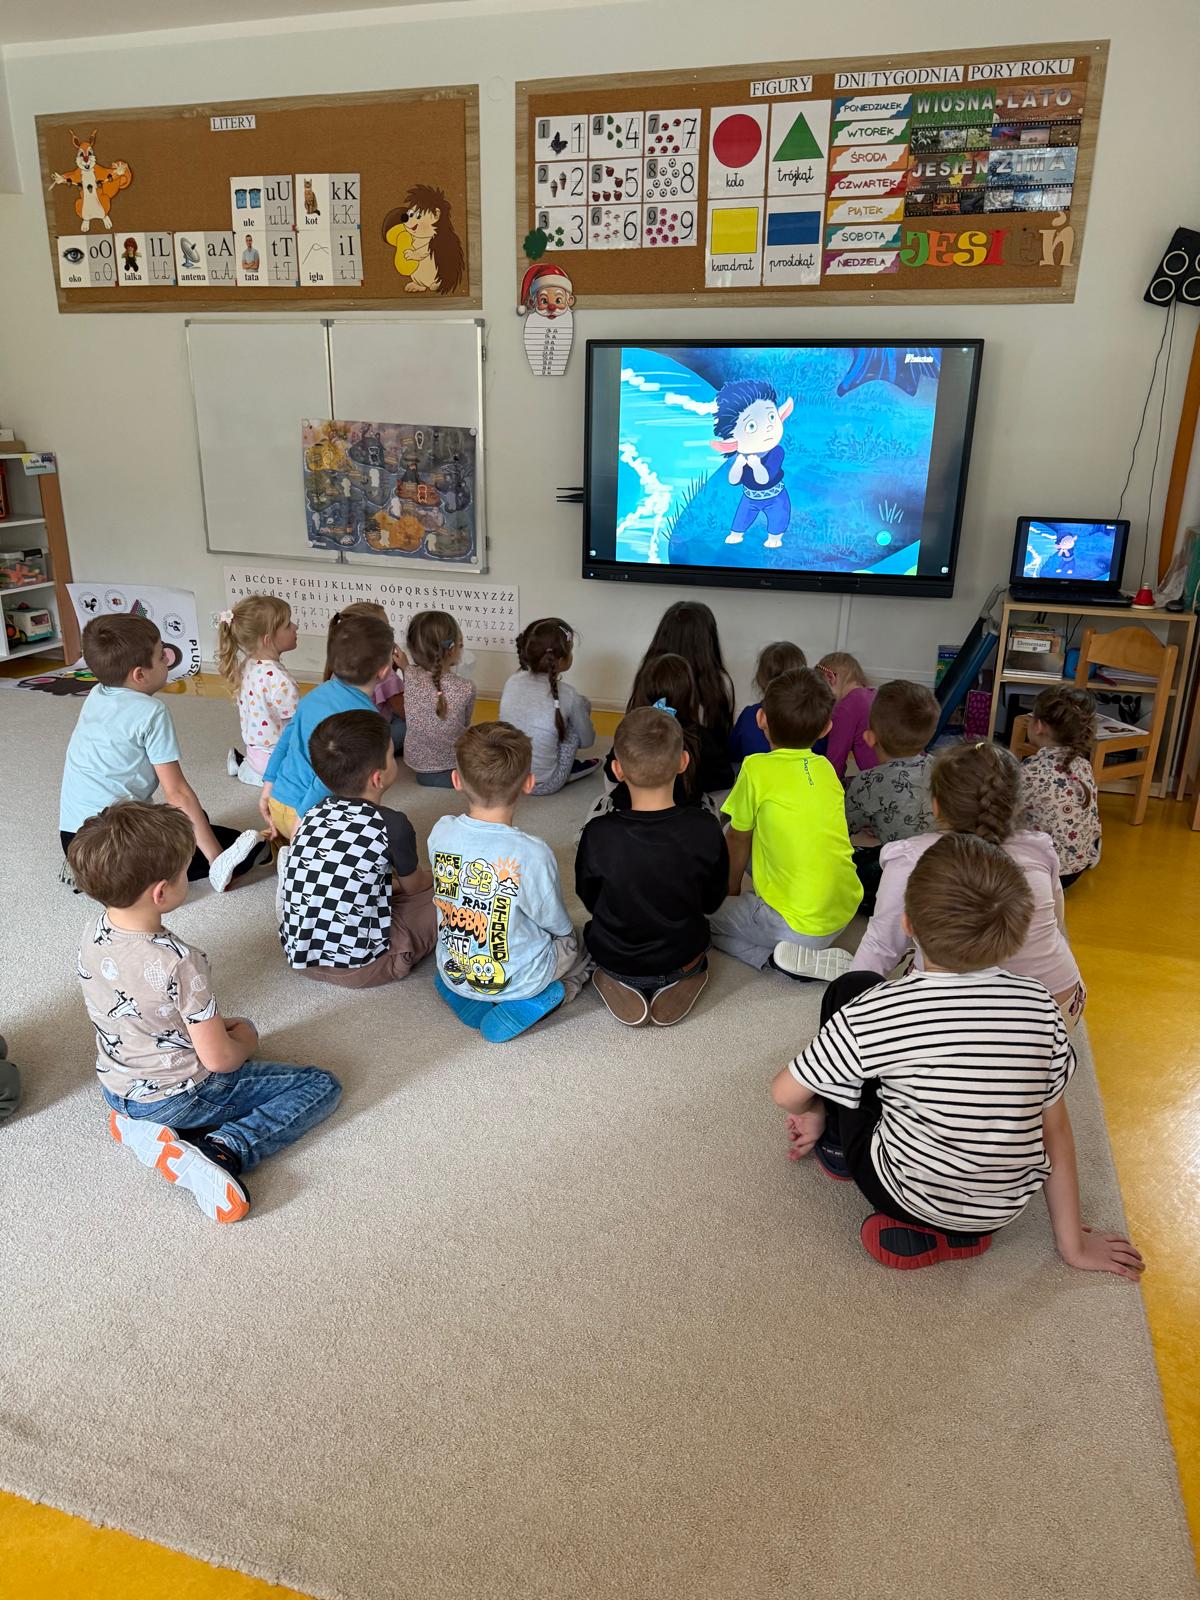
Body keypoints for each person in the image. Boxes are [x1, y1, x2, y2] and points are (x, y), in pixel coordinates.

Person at [771, 832, 1143, 1280]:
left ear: (908, 924)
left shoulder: (878, 1010)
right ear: (1016, 935)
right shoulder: (1041, 1006)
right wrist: (1074, 1245)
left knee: (847, 988)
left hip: (902, 1192)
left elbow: (785, 1093)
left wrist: (814, 1109)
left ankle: (834, 1141)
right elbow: (1055, 1130)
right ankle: (961, 1234)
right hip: (1001, 1210)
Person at [68, 801, 341, 1225]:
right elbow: (218, 1060)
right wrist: (245, 1038)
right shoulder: (179, 961)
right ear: (161, 892)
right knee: (321, 1086)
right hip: (181, 1095)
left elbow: (136, 1009)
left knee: (218, 1035)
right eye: (184, 871)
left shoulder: (92, 931)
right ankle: (222, 1148)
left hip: (118, 1087)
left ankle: (143, 1126)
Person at [853, 739, 1086, 1028]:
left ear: (936, 806)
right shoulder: (1038, 847)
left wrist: (850, 1003)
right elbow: (1056, 922)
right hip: (1058, 1004)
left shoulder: (910, 858)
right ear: (1015, 804)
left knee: (922, 964)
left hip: (962, 1023)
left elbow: (882, 944)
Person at [59, 615, 268, 893]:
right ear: (140, 674)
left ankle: (88, 869)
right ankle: (110, 875)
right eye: (161, 656)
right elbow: (177, 792)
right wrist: (217, 858)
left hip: (74, 841)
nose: (168, 660)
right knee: (247, 846)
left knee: (194, 820)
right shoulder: (151, 712)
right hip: (117, 845)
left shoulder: (98, 693)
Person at [428, 722, 591, 1043]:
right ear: (529, 783)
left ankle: (465, 994)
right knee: (579, 946)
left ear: (456, 780)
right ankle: (550, 995)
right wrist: (566, 935)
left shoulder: (440, 831)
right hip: (522, 978)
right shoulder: (532, 853)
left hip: (455, 967)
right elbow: (554, 921)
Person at [576, 706, 728, 1027]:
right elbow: (713, 900)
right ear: (684, 762)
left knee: (588, 935)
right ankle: (685, 976)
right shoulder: (706, 827)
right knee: (701, 938)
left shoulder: (598, 832)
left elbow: (588, 896)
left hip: (615, 956)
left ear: (617, 770)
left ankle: (616, 978)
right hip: (682, 954)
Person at [709, 666, 861, 980]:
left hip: (794, 926)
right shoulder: (826, 769)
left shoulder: (755, 768)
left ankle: (776, 960)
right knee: (749, 828)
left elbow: (737, 840)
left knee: (702, 919)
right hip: (842, 912)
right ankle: (798, 951)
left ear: (761, 718)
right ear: (826, 729)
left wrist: (730, 895)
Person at [280, 711, 436, 987]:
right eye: (392, 755)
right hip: (362, 966)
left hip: (299, 956)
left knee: (367, 883)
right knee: (446, 895)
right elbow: (415, 887)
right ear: (377, 778)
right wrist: (436, 876)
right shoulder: (391, 824)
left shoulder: (313, 812)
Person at [259, 612, 394, 841]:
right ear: (384, 670)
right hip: (304, 817)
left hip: (277, 802)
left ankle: (271, 845)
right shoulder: (366, 719)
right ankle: (289, 850)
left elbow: (285, 741)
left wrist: (268, 787)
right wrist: (303, 818)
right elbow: (330, 775)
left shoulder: (316, 694)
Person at [843, 679, 939, 914]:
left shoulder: (867, 782)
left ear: (869, 738)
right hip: (944, 871)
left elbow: (841, 830)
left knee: (846, 868)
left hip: (901, 875)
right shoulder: (944, 768)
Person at [634, 601, 735, 792]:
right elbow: (721, 744)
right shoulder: (719, 683)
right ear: (708, 642)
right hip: (700, 776)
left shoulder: (647, 675)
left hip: (647, 770)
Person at [499, 617, 598, 794]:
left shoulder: (512, 680)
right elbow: (587, 741)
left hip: (509, 776)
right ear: (560, 660)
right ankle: (569, 770)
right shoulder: (569, 695)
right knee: (582, 704)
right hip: (545, 784)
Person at [1019, 685, 1100, 886]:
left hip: (1044, 874)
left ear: (1039, 726)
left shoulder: (1030, 771)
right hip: (1075, 869)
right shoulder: (1084, 765)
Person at [217, 594, 300, 787]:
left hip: (255, 755)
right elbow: (296, 730)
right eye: (288, 625)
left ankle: (246, 767)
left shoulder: (248, 665)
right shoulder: (281, 680)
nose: (295, 627)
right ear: (268, 639)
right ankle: (263, 777)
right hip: (277, 762)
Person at [403, 610, 475, 788]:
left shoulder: (409, 674)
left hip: (414, 759)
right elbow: (465, 724)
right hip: (450, 764)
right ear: (453, 649)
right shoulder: (466, 687)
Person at [323, 603, 407, 755]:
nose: (391, 632)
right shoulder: (386, 675)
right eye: (387, 629)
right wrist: (406, 670)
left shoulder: (339, 667)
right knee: (411, 726)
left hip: (342, 740)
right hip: (367, 747)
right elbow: (408, 714)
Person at [729, 640, 807, 765]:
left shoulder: (749, 715)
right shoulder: (813, 717)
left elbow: (733, 753)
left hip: (755, 775)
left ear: (760, 679)